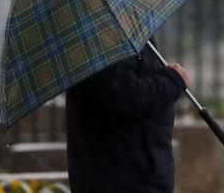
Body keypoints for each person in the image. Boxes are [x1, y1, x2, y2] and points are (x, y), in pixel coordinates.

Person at [66, 38, 190, 193]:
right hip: (126, 175)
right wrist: (172, 81)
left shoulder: (118, 33)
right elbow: (126, 95)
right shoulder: (108, 36)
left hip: (128, 171)